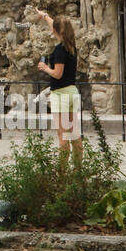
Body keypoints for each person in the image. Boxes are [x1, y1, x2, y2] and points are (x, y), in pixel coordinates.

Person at [35, 10, 82, 161]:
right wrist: (45, 16)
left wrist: (45, 67)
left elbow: (57, 74)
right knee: (74, 134)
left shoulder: (59, 49)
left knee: (63, 137)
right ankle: (78, 172)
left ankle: (62, 176)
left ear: (54, 30)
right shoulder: (71, 45)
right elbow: (57, 27)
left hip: (60, 94)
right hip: (72, 92)